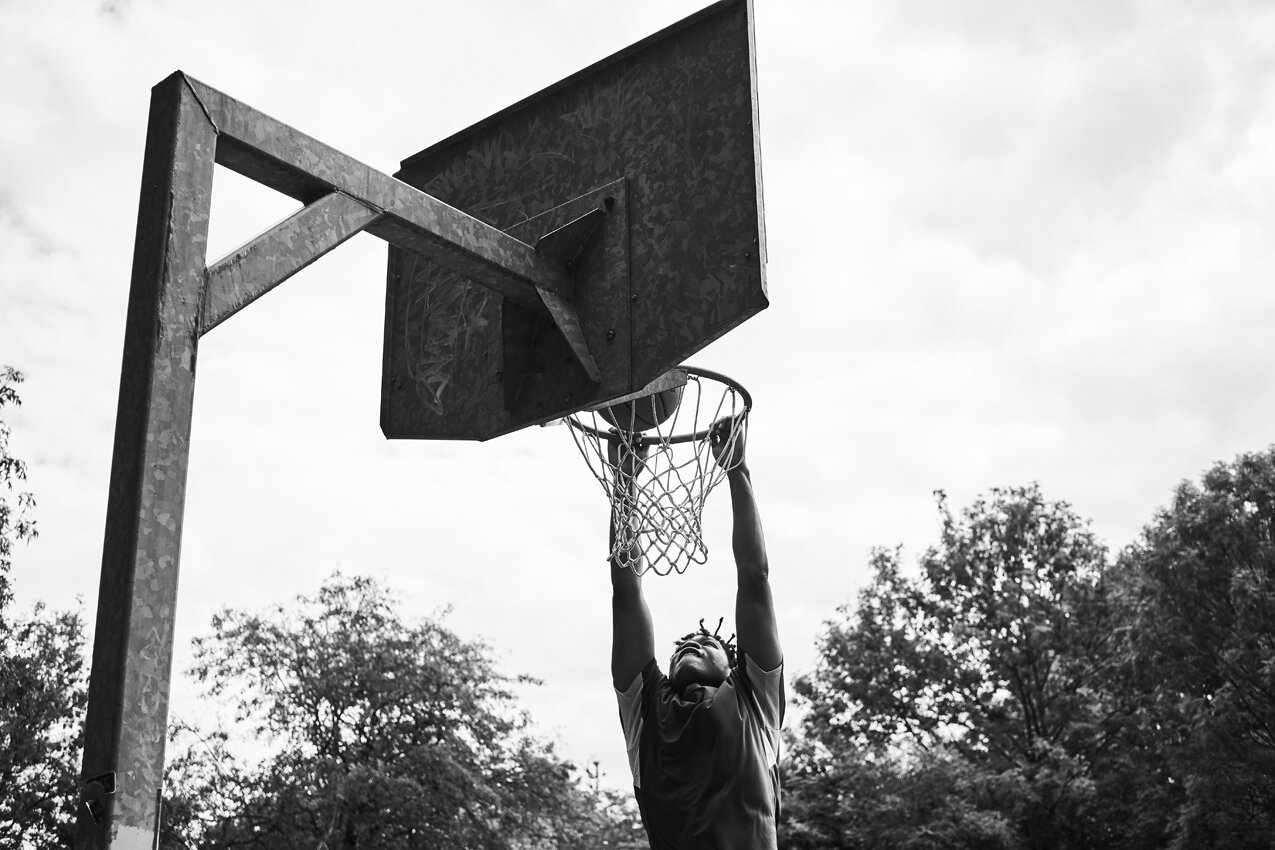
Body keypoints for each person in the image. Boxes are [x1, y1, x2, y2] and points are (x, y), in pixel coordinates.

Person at [609, 418, 783, 849]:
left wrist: (737, 470)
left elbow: (755, 577)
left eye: (707, 643)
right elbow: (626, 591)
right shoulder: (646, 707)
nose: (690, 643)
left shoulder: (753, 699)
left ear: (734, 665)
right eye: (683, 645)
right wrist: (625, 479)